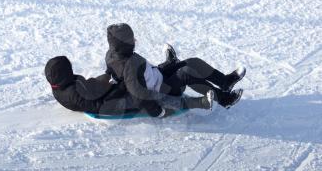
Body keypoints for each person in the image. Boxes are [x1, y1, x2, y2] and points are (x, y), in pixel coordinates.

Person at [105, 23, 245, 117]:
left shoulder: (111, 56)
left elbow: (111, 72)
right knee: (186, 72)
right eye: (132, 39)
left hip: (158, 76)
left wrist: (111, 81)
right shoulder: (130, 66)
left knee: (193, 62)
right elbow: (139, 95)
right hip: (164, 90)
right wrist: (157, 112)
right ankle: (224, 99)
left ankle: (225, 82)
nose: (135, 40)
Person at [45, 56, 214, 117]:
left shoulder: (59, 86)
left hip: (105, 92)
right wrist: (122, 88)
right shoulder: (74, 92)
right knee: (150, 94)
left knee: (134, 72)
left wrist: (107, 78)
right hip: (114, 102)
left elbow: (90, 87)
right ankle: (200, 103)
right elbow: (99, 106)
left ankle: (168, 65)